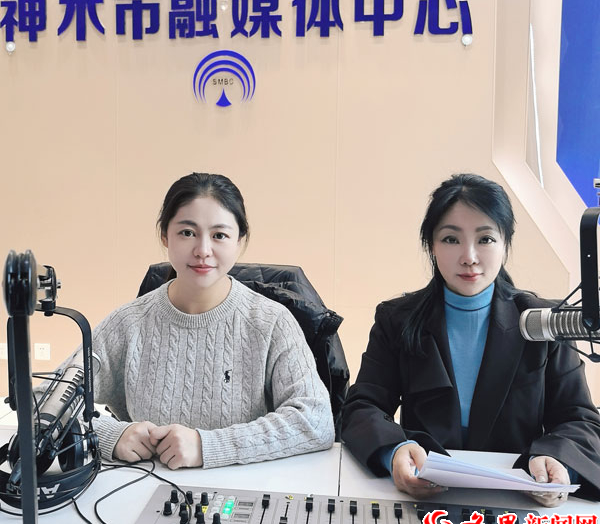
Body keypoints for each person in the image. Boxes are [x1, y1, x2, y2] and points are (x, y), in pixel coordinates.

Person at [341, 173, 600, 506]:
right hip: (425, 499)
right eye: (451, 239)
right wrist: (393, 450)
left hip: (519, 501)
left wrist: (557, 461)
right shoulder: (397, 319)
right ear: (431, 246)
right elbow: (363, 406)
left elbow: (579, 419)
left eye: (486, 239)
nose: (469, 256)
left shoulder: (544, 322)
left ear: (505, 243)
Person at [70, 172, 334, 469]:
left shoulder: (271, 323)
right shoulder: (127, 323)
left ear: (239, 242)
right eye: (187, 232)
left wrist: (207, 446)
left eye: (219, 235)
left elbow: (317, 421)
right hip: (143, 487)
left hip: (243, 489)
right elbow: (43, 405)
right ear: (164, 236)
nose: (203, 251)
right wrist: (109, 435)